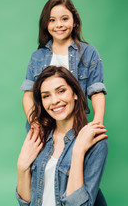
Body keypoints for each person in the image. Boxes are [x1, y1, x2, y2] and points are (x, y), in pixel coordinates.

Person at [16, 66, 108, 206]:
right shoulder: (39, 135)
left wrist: (78, 152)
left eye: (61, 91)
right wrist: (22, 167)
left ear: (75, 94)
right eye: (46, 96)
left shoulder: (96, 141)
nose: (54, 101)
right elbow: (25, 203)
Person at [20, 0, 107, 132]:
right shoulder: (37, 56)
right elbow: (28, 95)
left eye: (64, 19)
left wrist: (96, 124)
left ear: (74, 22)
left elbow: (96, 92)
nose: (59, 24)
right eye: (52, 20)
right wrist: (35, 124)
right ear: (45, 24)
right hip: (43, 129)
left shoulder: (89, 53)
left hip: (75, 128)